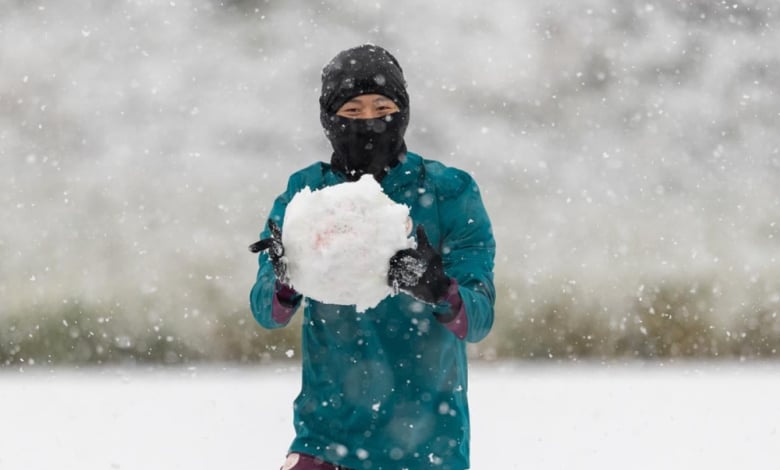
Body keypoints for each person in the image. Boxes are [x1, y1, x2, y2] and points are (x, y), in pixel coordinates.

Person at [249, 44, 496, 470]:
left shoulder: (449, 191)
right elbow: (266, 311)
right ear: (329, 118)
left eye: (383, 107)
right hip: (327, 438)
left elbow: (478, 320)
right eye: (352, 110)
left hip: (427, 443)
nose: (369, 123)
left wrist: (440, 290)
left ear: (404, 112)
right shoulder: (306, 193)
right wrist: (286, 280)